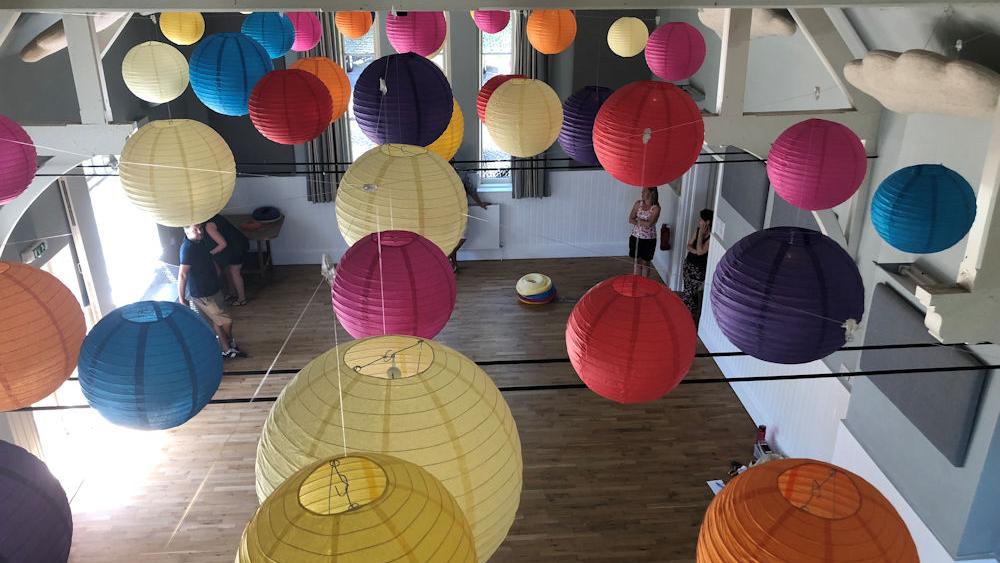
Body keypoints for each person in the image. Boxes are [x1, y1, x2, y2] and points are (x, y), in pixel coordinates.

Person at [179, 223, 245, 359]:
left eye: (200, 228)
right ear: (186, 232)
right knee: (226, 321)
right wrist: (181, 297)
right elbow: (183, 274)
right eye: (195, 230)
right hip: (202, 294)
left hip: (214, 288)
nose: (199, 232)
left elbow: (208, 257)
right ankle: (227, 341)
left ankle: (226, 349)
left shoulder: (200, 242)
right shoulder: (187, 249)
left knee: (217, 321)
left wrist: (216, 269)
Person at [449, 166, 490, 273]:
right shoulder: (439, 175)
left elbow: (471, 190)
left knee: (462, 237)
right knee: (454, 239)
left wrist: (480, 204)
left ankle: (448, 258)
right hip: (446, 211)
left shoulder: (462, 175)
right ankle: (453, 263)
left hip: (461, 209)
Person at [203, 214, 249, 306]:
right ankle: (232, 293)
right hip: (235, 244)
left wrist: (209, 254)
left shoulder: (208, 226)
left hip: (237, 247)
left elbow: (223, 244)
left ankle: (242, 299)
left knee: (234, 271)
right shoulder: (215, 216)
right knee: (227, 269)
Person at [681, 209, 714, 322]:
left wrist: (700, 236)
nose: (699, 221)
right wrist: (695, 251)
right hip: (689, 265)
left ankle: (688, 319)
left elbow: (701, 250)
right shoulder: (697, 229)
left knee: (691, 295)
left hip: (699, 271)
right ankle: (685, 317)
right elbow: (689, 245)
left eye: (701, 219)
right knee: (687, 291)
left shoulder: (711, 238)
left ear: (707, 222)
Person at [628, 187, 660, 278]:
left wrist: (638, 220)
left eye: (644, 191)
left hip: (649, 239)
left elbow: (649, 224)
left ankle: (645, 284)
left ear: (652, 193)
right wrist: (643, 222)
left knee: (646, 262)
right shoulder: (638, 204)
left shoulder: (656, 208)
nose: (642, 193)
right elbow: (630, 219)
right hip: (636, 236)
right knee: (637, 261)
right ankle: (636, 280)